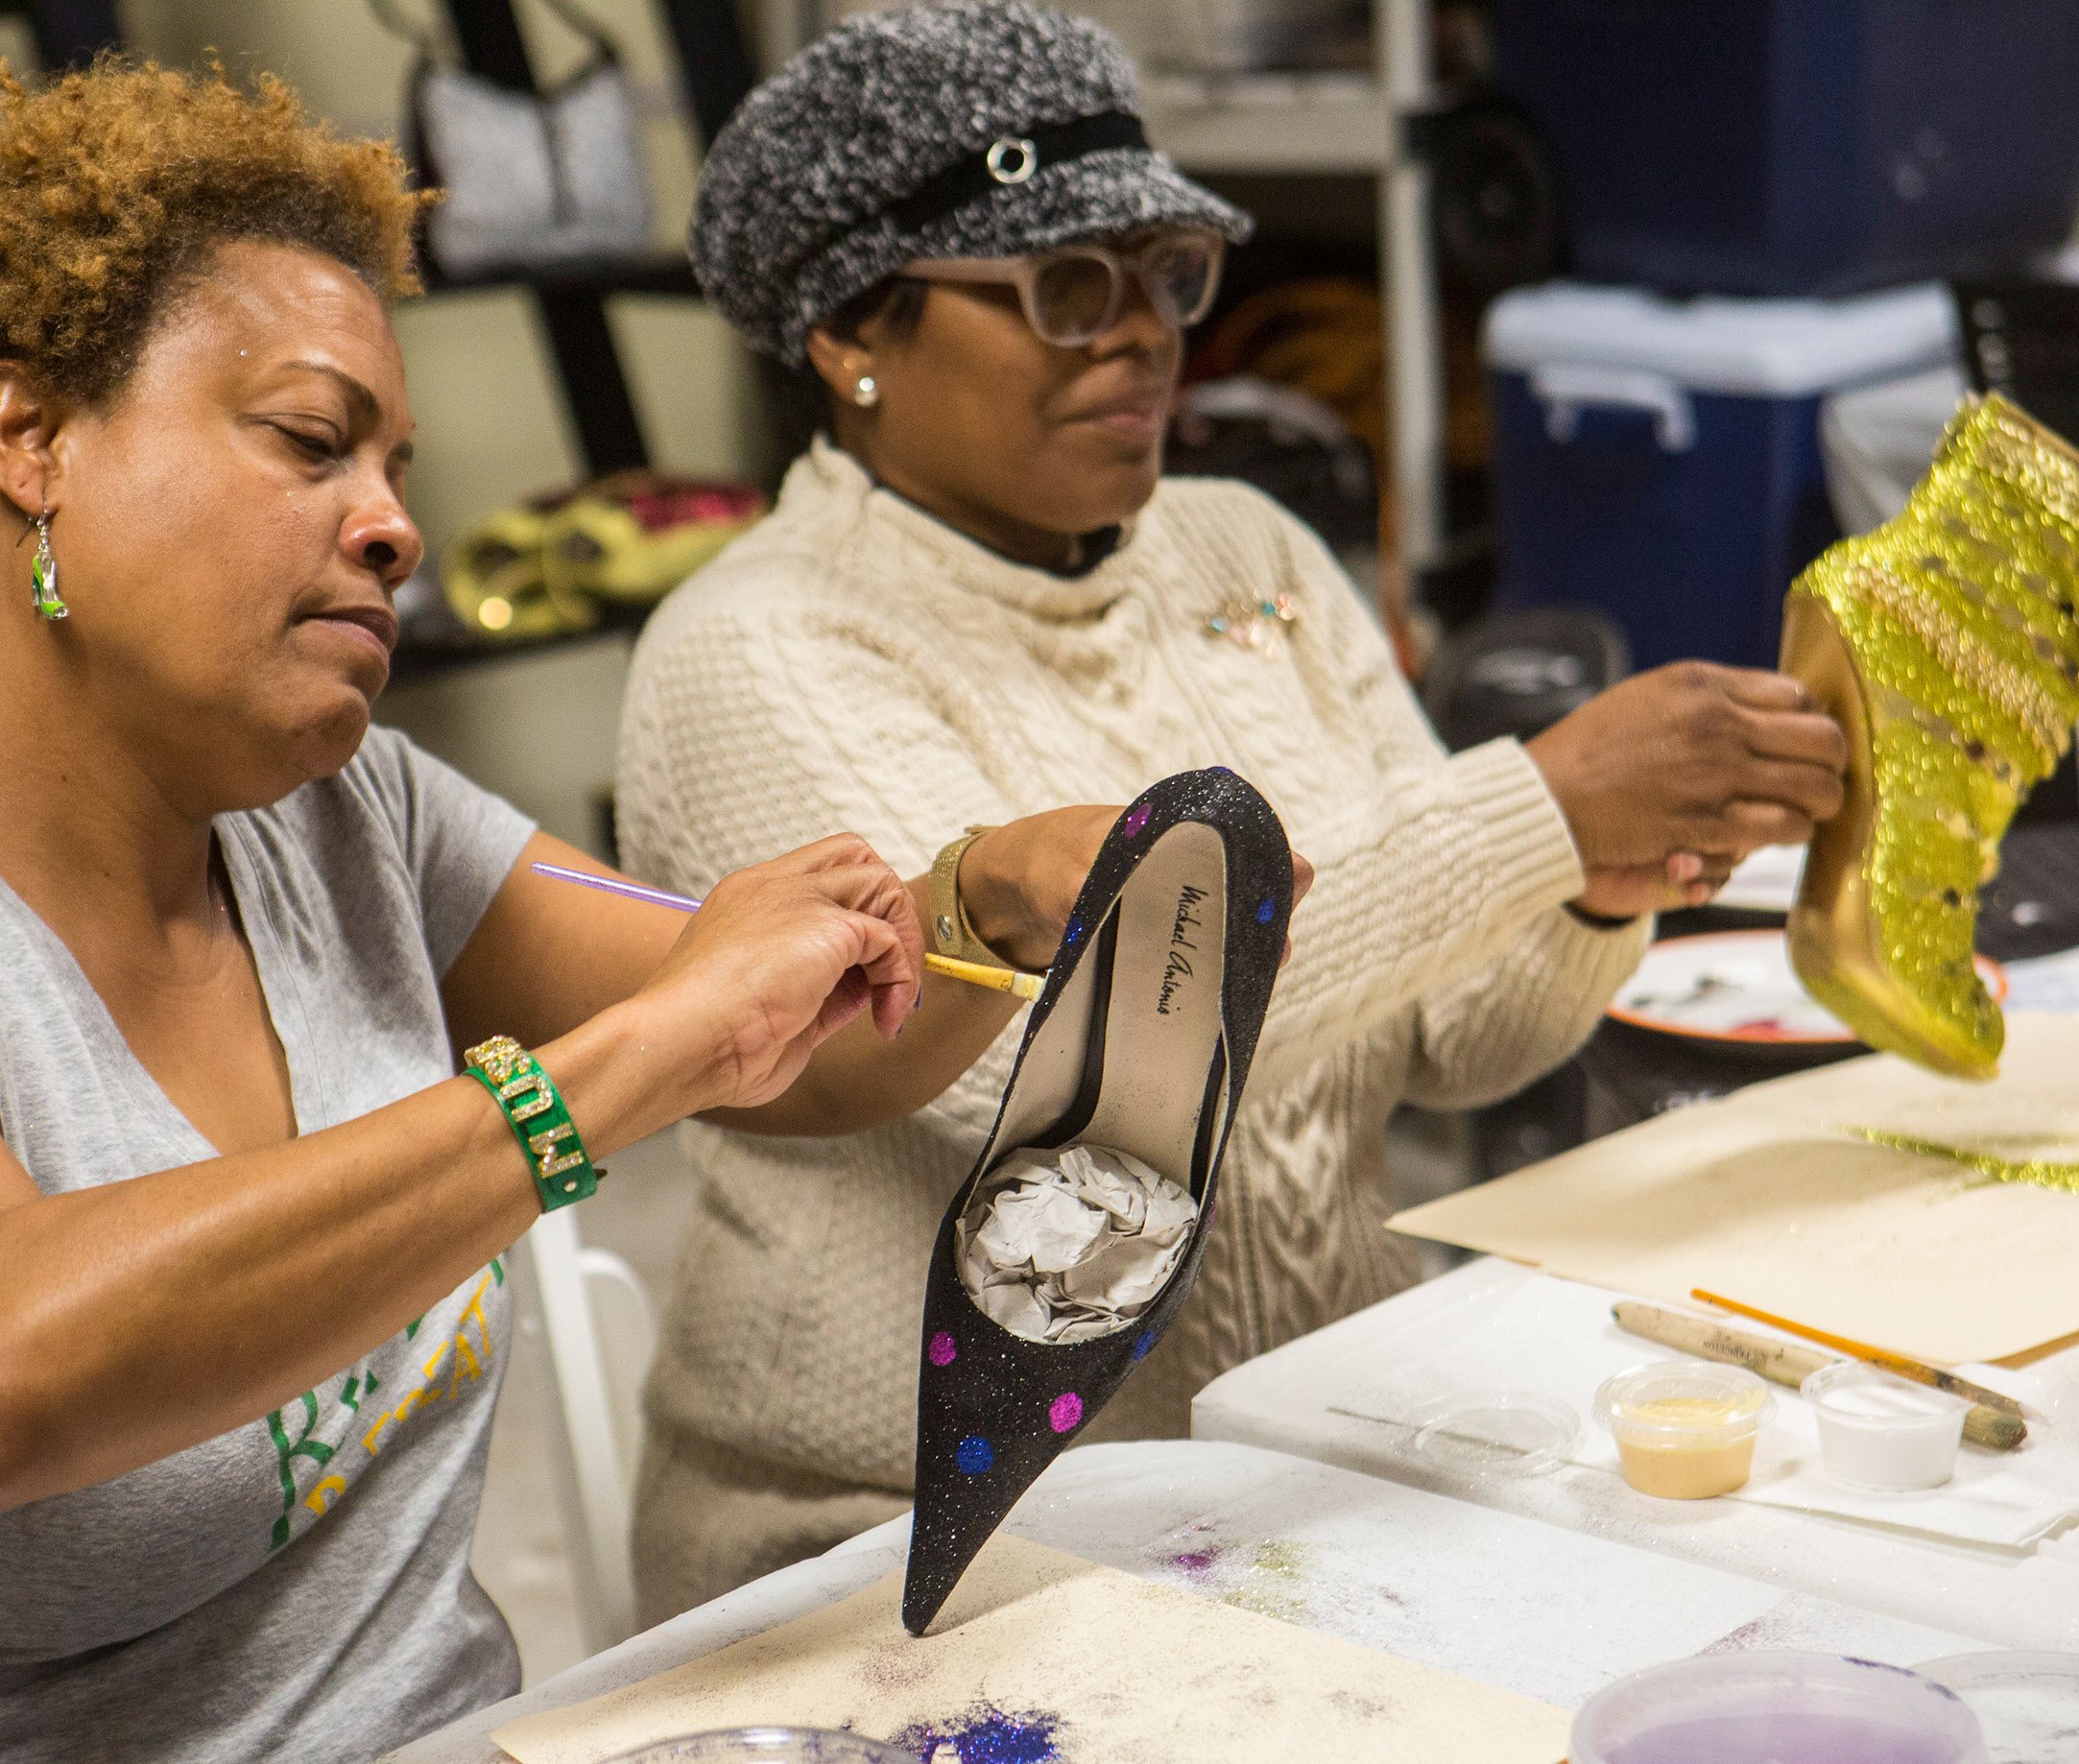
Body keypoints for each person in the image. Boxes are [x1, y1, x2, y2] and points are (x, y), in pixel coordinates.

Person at [0, 61, 1104, 1762]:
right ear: (29, 439)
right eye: (310, 442)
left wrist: (983, 900)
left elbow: (808, 1052)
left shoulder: (357, 821)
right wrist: (603, 1079)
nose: (397, 524)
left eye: (395, 464)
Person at [616, 0, 1851, 1621]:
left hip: (1300, 1451)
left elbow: (1455, 1042)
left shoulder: (1248, 552)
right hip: (912, 1535)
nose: (1143, 335)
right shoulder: (757, 648)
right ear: (853, 333)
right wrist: (1539, 802)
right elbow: (1065, 1115)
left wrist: (1592, 883)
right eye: (1067, 287)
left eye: (1164, 275)